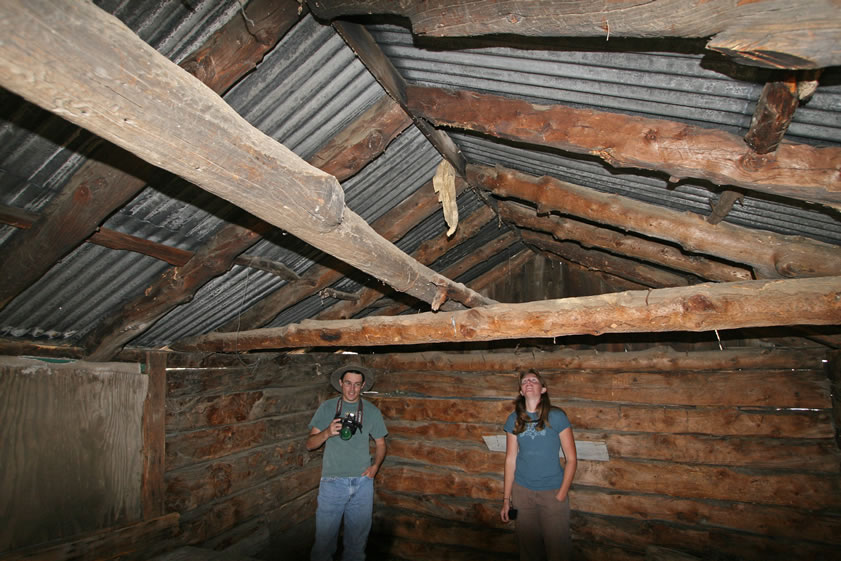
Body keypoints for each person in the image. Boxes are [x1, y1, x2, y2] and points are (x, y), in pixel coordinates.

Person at [307, 365, 388, 561]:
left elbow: (381, 443)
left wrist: (375, 467)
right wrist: (326, 433)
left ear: (363, 386)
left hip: (362, 483)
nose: (352, 389)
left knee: (357, 544)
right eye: (348, 384)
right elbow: (310, 444)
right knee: (324, 543)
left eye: (357, 385)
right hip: (332, 483)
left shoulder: (371, 411)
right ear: (341, 384)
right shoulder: (327, 408)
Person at [500, 369, 577, 561]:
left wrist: (561, 494)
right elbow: (510, 459)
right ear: (521, 391)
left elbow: (572, 459)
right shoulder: (513, 419)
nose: (529, 382)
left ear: (543, 389)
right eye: (525, 381)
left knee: (558, 549)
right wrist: (506, 499)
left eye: (534, 380)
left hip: (552, 492)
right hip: (522, 494)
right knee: (527, 548)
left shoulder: (557, 416)